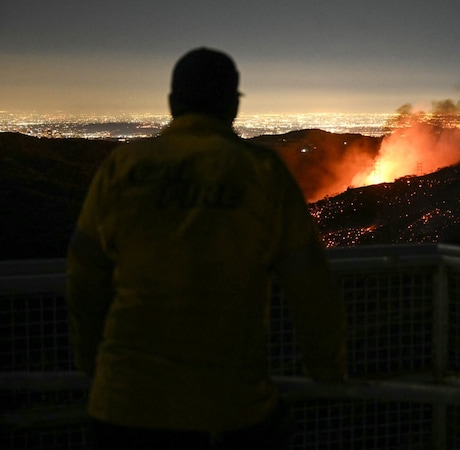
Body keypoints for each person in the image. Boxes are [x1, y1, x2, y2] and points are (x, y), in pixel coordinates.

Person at [67, 47, 347, 449]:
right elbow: (310, 287)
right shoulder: (262, 172)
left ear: (171, 103)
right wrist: (327, 371)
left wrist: (88, 360)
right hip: (229, 410)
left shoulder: (122, 168)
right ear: (233, 105)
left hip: (123, 405)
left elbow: (83, 274)